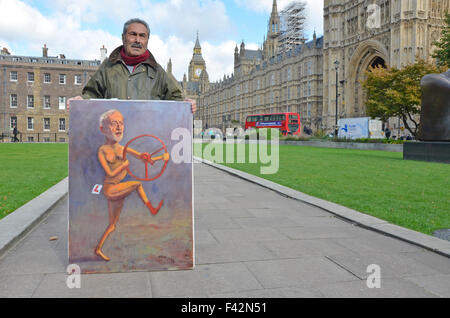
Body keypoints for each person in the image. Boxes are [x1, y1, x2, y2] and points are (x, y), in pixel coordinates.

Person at [68, 18, 196, 113]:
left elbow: (176, 100)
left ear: (147, 41)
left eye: (142, 36)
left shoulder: (158, 71)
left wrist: (187, 104)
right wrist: (81, 100)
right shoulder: (107, 67)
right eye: (133, 34)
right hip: (115, 134)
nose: (137, 40)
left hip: (145, 136)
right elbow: (91, 94)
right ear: (124, 38)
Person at [95, 109, 169, 261]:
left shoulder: (123, 148)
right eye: (114, 124)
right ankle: (152, 208)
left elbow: (144, 158)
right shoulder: (102, 150)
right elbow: (109, 173)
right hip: (110, 189)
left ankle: (98, 249)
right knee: (137, 184)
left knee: (112, 225)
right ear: (103, 129)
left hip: (117, 189)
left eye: (121, 124)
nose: (118, 127)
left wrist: (162, 157)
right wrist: (123, 166)